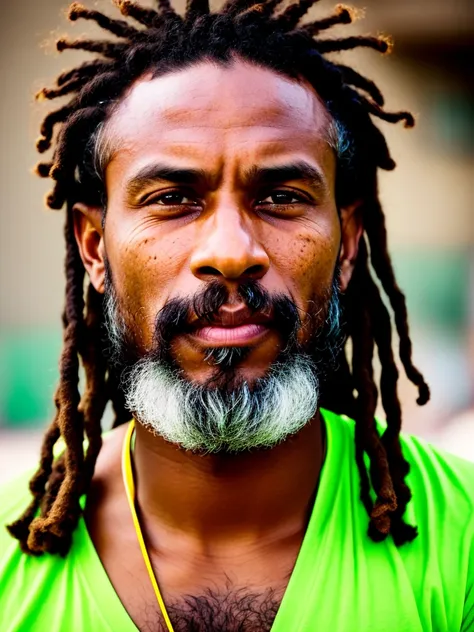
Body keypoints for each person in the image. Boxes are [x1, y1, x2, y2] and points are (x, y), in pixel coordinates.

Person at [1, 0, 473, 630]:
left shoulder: (462, 541)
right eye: (172, 199)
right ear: (94, 249)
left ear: (348, 243)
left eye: (281, 197)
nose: (231, 253)